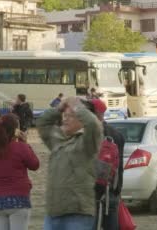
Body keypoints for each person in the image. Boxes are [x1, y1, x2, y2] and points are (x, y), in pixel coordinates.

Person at [37, 96, 103, 230]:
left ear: (81, 120)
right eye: (64, 115)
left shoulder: (87, 143)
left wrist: (77, 106)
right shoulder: (57, 139)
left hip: (77, 213)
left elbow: (93, 125)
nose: (65, 119)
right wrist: (59, 108)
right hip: (53, 213)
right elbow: (42, 123)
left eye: (71, 116)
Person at [0, 115, 40, 230]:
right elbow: (35, 165)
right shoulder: (21, 147)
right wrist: (25, 143)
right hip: (19, 199)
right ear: (15, 130)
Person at [81, 98, 125, 230]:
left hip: (91, 191)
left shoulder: (85, 133)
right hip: (111, 189)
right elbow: (119, 166)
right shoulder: (117, 135)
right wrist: (117, 191)